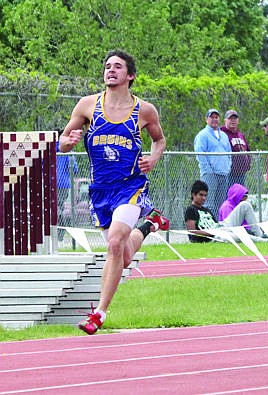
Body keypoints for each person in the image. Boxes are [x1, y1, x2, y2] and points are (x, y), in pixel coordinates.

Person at [59, 49, 168, 335]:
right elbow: (63, 143)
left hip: (130, 185)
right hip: (100, 191)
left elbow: (159, 139)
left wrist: (154, 158)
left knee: (115, 244)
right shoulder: (87, 105)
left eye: (117, 67)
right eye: (108, 66)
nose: (111, 70)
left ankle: (99, 312)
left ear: (130, 75)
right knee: (124, 254)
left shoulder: (144, 110)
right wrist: (68, 140)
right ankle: (151, 224)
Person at [184, 180, 267, 242]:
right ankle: (264, 241)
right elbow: (192, 232)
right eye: (201, 195)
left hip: (221, 227)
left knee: (245, 205)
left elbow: (216, 225)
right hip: (214, 237)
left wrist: (218, 229)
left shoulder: (207, 210)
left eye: (205, 195)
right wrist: (212, 232)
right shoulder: (191, 210)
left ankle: (261, 235)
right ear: (193, 195)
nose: (204, 198)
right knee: (238, 235)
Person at [194, 108, 232, 214]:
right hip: (210, 174)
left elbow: (229, 152)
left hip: (223, 173)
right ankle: (208, 227)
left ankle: (218, 226)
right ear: (206, 119)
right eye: (212, 117)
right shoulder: (203, 135)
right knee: (208, 202)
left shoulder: (224, 135)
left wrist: (228, 167)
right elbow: (200, 153)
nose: (214, 119)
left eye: (216, 117)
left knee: (221, 204)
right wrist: (208, 169)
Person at [221, 109, 252, 189]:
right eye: (230, 119)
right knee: (229, 197)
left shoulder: (240, 135)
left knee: (240, 198)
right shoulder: (222, 134)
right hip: (229, 174)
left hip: (241, 174)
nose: (233, 121)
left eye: (235, 119)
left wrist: (247, 163)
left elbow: (248, 151)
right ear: (225, 120)